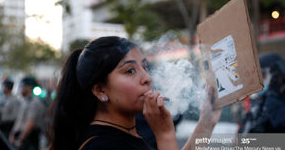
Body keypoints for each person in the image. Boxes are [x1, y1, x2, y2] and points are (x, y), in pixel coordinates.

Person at [48, 36, 222, 150]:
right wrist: (165, 135)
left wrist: (206, 122)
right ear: (100, 90)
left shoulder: (126, 133)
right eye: (130, 71)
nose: (147, 78)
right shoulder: (102, 146)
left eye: (145, 67)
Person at [239, 53, 285, 133]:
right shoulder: (255, 107)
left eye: (262, 75)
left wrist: (272, 95)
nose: (257, 81)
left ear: (277, 77)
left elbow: (284, 124)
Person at [9, 77, 46, 150]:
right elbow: (19, 120)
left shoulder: (34, 102)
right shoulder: (24, 101)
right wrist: (12, 134)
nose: (20, 88)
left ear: (29, 87)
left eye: (22, 86)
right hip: (20, 136)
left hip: (29, 138)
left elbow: (30, 123)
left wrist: (20, 139)